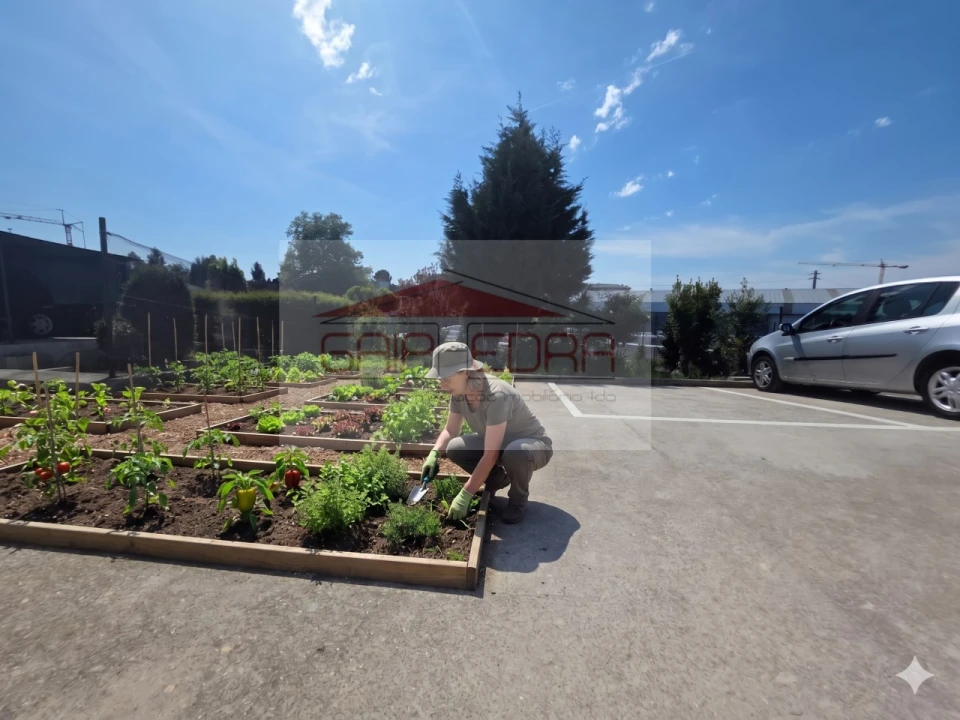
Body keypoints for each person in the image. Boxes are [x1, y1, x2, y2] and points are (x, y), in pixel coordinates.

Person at [419, 342, 553, 524]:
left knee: (516, 453)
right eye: (440, 379)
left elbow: (491, 455)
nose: (442, 385)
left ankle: (518, 499)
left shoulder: (496, 395)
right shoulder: (458, 393)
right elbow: (450, 430)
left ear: (466, 372)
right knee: (455, 448)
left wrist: (465, 494)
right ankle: (497, 479)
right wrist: (434, 453)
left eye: (446, 379)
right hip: (500, 444)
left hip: (532, 445)